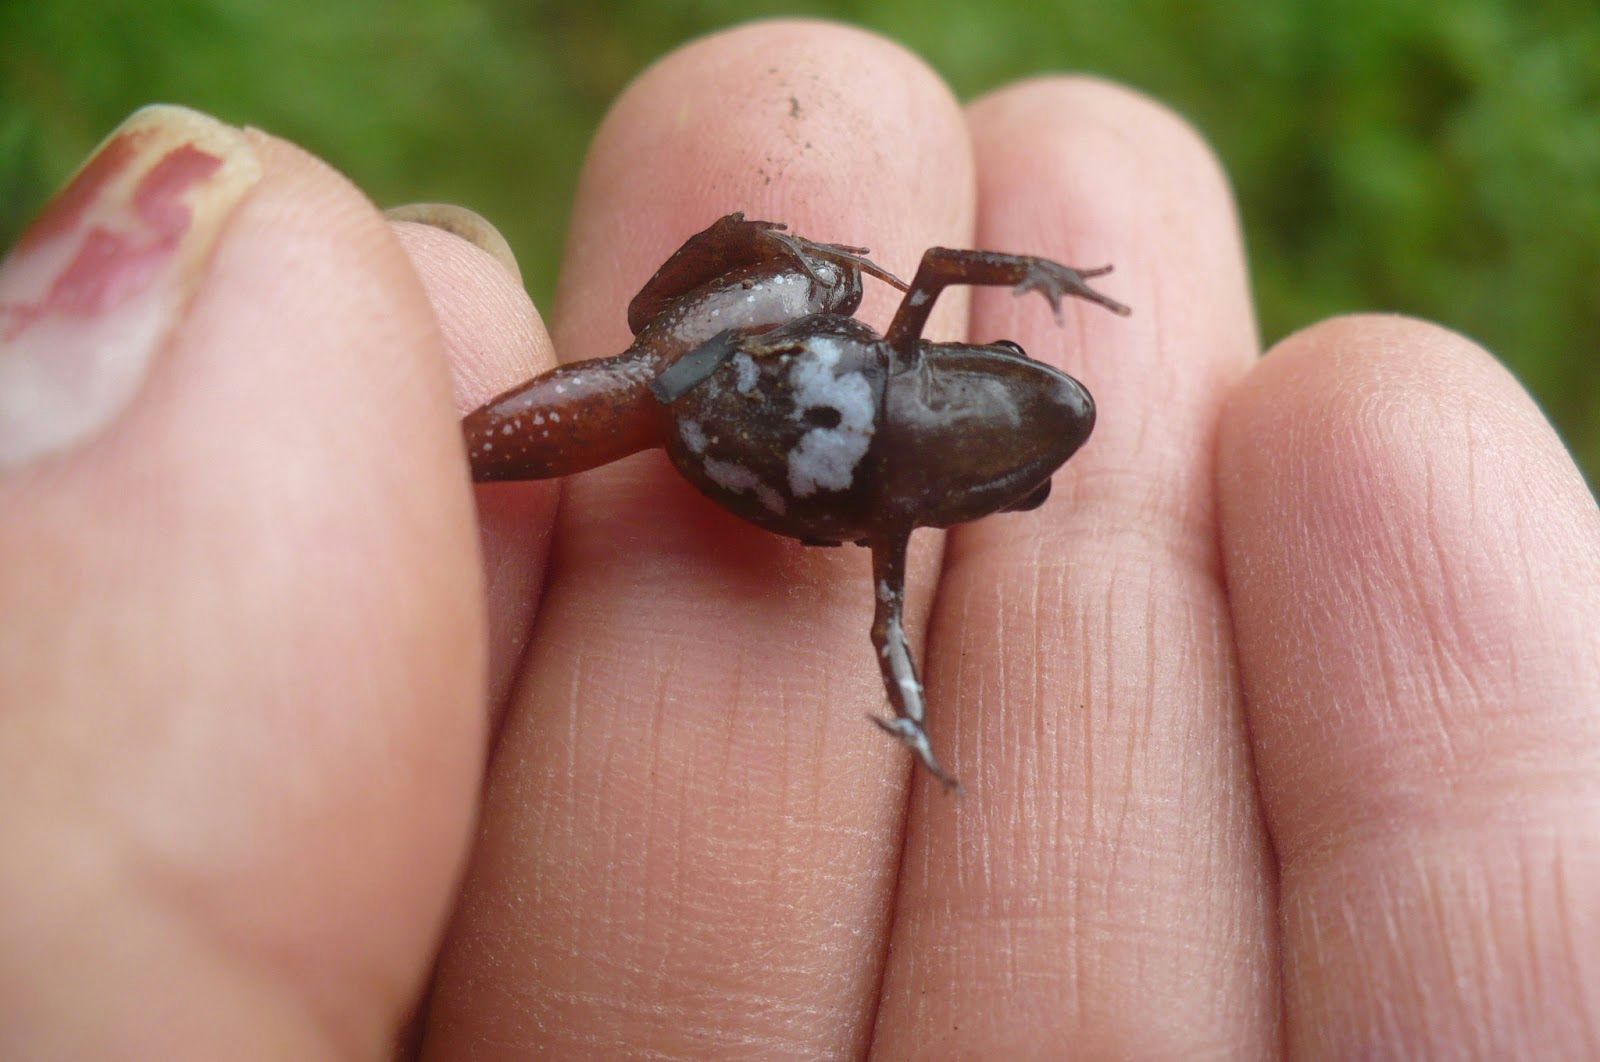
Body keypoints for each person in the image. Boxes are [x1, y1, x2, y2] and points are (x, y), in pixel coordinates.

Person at [2, 20, 1596, 1058]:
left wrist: (1010, 285)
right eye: (1022, 368)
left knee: (775, 308)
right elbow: (891, 605)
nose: (1027, 397)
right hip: (734, 418)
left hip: (732, 404)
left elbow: (944, 265)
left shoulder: (895, 406)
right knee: (681, 352)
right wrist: (904, 696)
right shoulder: (893, 538)